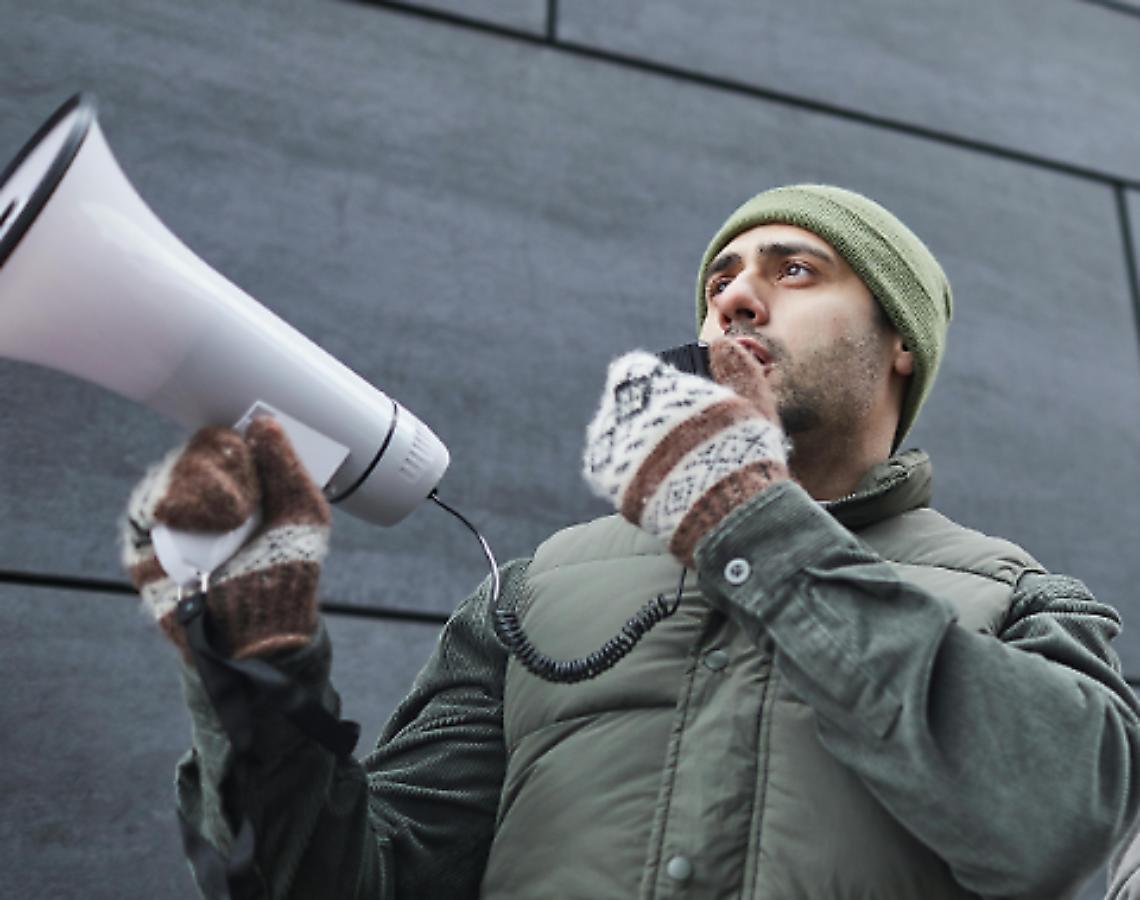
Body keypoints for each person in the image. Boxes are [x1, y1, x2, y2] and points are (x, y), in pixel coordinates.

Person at [122, 185, 1140, 899]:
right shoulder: (527, 600)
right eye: (722, 280)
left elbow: (1053, 825)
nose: (737, 296)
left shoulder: (1020, 602)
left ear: (902, 342)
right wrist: (251, 677)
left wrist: (745, 522)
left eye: (796, 269)